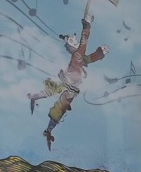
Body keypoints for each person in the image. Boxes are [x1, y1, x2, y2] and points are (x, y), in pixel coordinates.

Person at [26, 18, 107, 150]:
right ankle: (47, 124)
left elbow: (89, 58)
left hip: (71, 85)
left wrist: (100, 52)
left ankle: (46, 123)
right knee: (58, 105)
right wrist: (87, 26)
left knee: (58, 102)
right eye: (73, 41)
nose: (76, 43)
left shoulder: (80, 57)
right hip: (70, 83)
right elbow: (84, 42)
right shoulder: (78, 54)